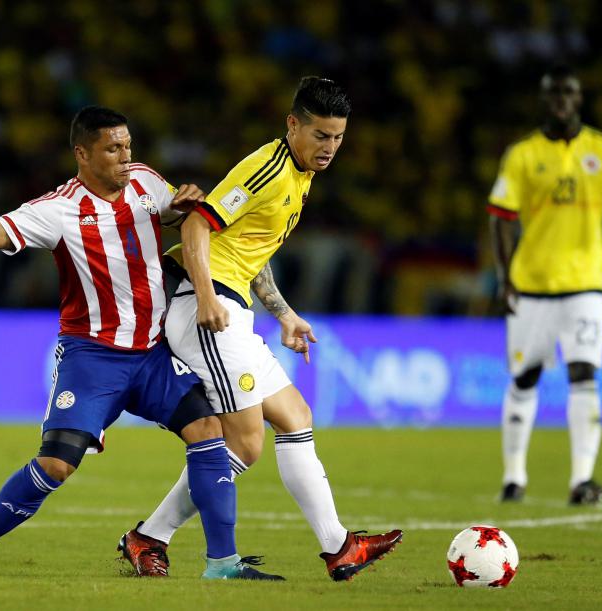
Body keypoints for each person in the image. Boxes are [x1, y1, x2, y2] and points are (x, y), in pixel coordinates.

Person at [0, 106, 283, 581]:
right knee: (56, 464)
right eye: (113, 149)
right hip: (92, 358)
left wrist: (185, 206)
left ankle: (223, 563)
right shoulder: (58, 210)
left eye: (128, 146)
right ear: (82, 154)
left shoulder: (144, 182)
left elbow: (182, 219)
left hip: (153, 355)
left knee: (209, 434)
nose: (125, 157)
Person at [117, 77, 403, 582]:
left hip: (233, 306)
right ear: (293, 124)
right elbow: (197, 225)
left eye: (338, 138)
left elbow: (249, 249)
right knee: (244, 444)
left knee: (294, 416)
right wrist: (207, 297)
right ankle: (151, 537)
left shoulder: (300, 174)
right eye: (320, 135)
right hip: (207, 310)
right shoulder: (269, 169)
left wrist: (285, 313)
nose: (329, 148)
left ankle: (340, 548)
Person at [487, 64, 602, 506]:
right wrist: (504, 275)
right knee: (525, 376)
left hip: (588, 285)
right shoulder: (522, 155)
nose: (561, 101)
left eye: (568, 93)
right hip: (531, 285)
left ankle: (581, 481)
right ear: (543, 99)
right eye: (553, 94)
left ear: (579, 98)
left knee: (584, 372)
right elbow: (501, 219)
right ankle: (514, 478)